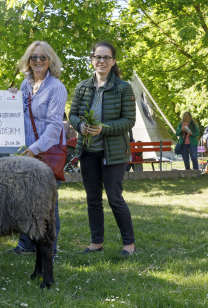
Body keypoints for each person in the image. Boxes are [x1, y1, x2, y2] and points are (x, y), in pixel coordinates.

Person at [69, 41, 136, 256]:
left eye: (107, 58)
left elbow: (129, 121)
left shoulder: (123, 87)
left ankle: (129, 244)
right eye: (98, 57)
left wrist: (103, 129)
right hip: (88, 152)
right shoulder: (82, 87)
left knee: (114, 198)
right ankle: (96, 243)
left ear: (113, 61)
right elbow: (72, 115)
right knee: (93, 199)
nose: (102, 61)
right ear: (92, 60)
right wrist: (80, 125)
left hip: (114, 153)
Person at [8, 41, 66, 257]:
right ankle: (26, 244)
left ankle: (50, 249)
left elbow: (53, 127)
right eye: (34, 57)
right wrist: (11, 97)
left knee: (48, 203)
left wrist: (33, 149)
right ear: (28, 61)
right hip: (26, 152)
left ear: (50, 60)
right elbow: (19, 115)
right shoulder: (25, 85)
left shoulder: (57, 88)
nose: (38, 61)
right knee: (24, 199)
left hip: (44, 151)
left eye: (43, 57)